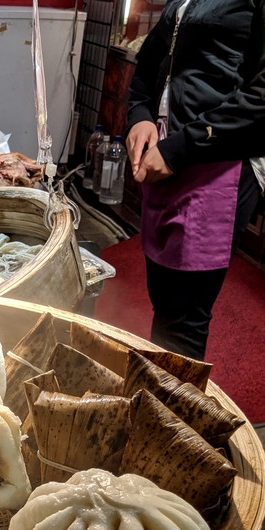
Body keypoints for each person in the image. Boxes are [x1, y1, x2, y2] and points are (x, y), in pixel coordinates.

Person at [125, 0, 265, 362]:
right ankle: (154, 402)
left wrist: (182, 147)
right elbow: (150, 59)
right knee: (164, 301)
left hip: (216, 163)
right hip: (166, 157)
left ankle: (168, 414)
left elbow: (261, 96)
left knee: (185, 318)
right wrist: (139, 115)